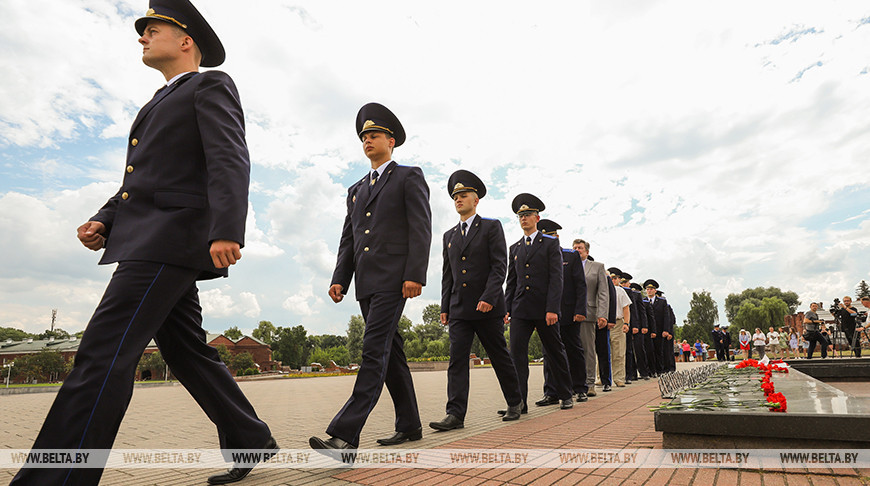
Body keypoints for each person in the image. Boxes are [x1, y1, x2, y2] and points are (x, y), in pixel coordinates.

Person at [12, 3, 277, 485]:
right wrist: (104, 218)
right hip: (151, 238)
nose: (142, 36)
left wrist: (227, 228)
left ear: (185, 40)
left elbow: (229, 158)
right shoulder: (158, 100)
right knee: (186, 352)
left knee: (102, 352)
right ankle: (251, 439)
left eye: (153, 29)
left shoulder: (210, 85)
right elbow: (141, 182)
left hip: (169, 241)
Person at [311, 103, 431, 452]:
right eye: (363, 136)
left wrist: (414, 275)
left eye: (374, 135)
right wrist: (340, 278)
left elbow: (420, 228)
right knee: (391, 354)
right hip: (365, 282)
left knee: (372, 350)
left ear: (391, 141)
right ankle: (410, 425)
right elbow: (349, 237)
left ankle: (344, 436)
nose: (367, 140)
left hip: (395, 280)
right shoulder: (356, 188)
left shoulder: (409, 176)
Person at [430, 170, 523, 432]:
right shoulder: (449, 236)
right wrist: (444, 307)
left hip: (487, 307)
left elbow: (499, 267)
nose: (458, 200)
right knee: (457, 360)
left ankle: (515, 401)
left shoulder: (491, 227)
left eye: (464, 195)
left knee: (498, 355)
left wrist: (489, 297)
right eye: (455, 196)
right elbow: (447, 274)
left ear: (476, 199)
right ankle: (455, 414)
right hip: (459, 309)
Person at [505, 194, 573, 410]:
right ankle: (518, 402)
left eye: (527, 214)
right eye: (520, 215)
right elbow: (512, 281)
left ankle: (565, 394)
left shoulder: (550, 244)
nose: (523, 218)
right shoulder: (515, 248)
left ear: (537, 217)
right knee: (516, 356)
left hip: (545, 310)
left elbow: (556, 278)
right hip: (520, 310)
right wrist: (506, 309)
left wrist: (553, 308)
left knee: (554, 352)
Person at [534, 219, 589, 404]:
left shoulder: (570, 256)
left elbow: (581, 286)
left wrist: (580, 310)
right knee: (549, 353)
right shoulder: (537, 256)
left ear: (556, 237)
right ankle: (551, 392)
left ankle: (580, 388)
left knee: (574, 350)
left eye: (548, 236)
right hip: (547, 314)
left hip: (569, 313)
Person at [573, 239, 610, 394]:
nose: (577, 250)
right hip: (569, 314)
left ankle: (589, 384)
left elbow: (603, 293)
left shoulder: (597, 267)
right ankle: (573, 384)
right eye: (574, 248)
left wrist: (602, 315)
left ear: (587, 251)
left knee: (588, 349)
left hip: (588, 313)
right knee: (571, 350)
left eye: (580, 248)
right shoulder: (565, 265)